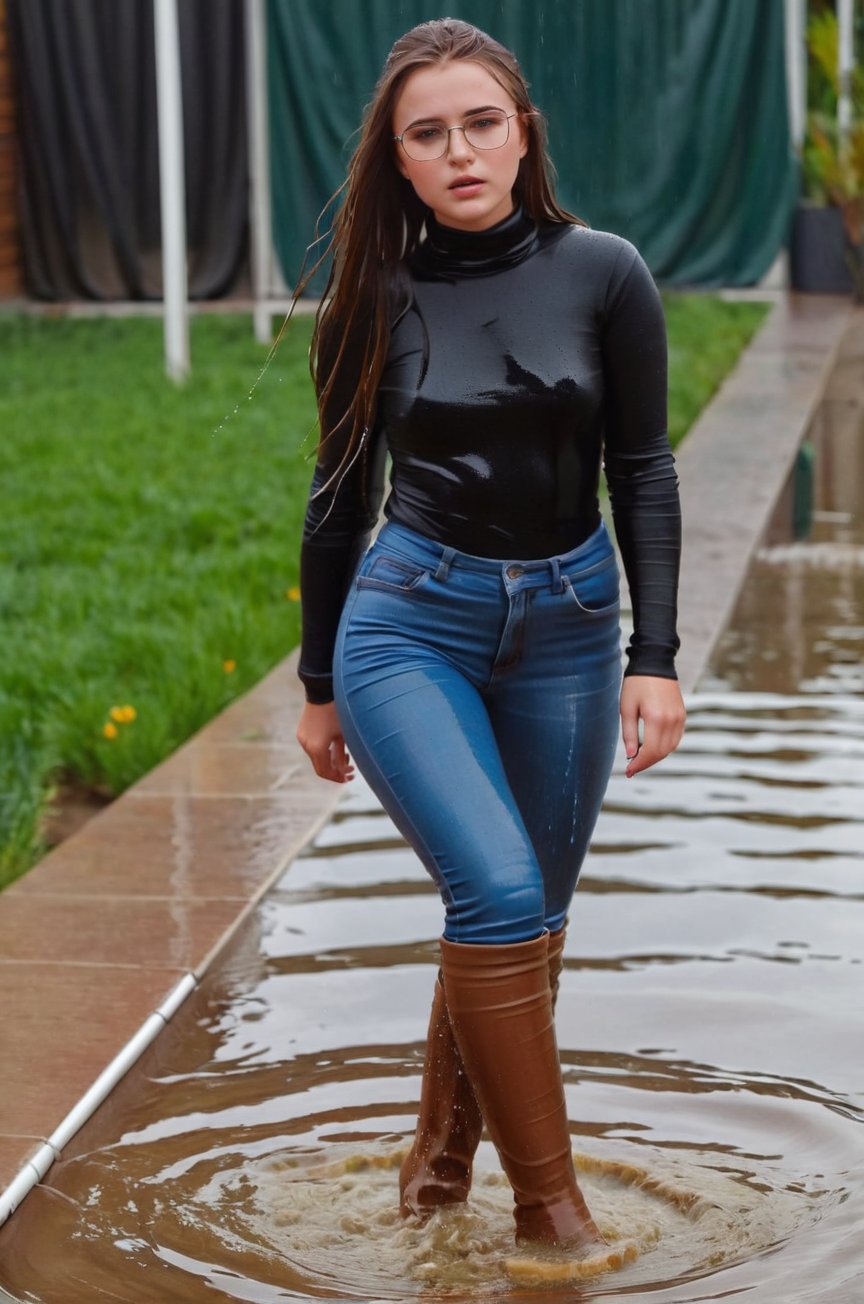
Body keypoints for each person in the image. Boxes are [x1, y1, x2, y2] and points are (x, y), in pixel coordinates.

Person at [295, 17, 686, 1253]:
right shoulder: (375, 292)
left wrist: (657, 654)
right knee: (502, 887)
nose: (458, 150)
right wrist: (318, 684)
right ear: (397, 160)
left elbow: (646, 470)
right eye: (428, 133)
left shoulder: (606, 272)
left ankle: (434, 1176)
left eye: (481, 122)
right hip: (412, 619)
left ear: (523, 134)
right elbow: (337, 494)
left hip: (571, 623)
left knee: (521, 915)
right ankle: (555, 1220)